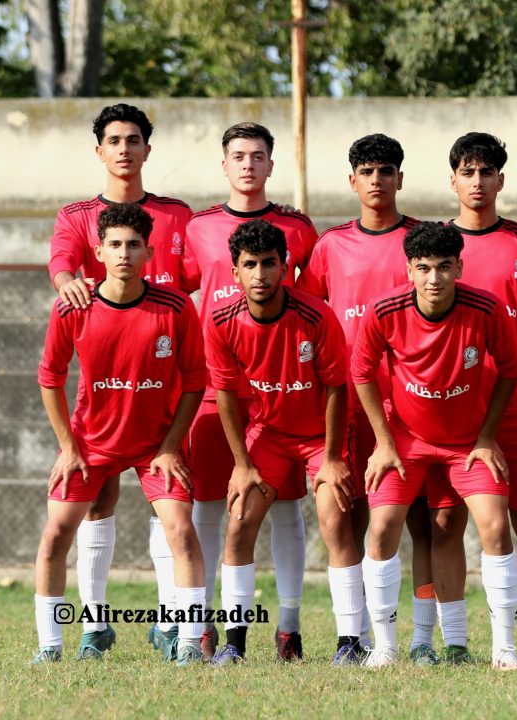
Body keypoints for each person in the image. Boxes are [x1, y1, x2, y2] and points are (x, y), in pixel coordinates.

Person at [48, 103, 193, 661]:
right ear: (100, 150)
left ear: (147, 150)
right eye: (114, 140)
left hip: (167, 373)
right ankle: (94, 625)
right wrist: (68, 284)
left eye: (134, 139)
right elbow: (62, 267)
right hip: (106, 386)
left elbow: (210, 273)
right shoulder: (77, 214)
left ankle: (170, 620)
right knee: (98, 501)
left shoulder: (178, 216)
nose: (124, 149)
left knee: (170, 501)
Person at [352, 222, 517, 669]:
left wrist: (487, 436)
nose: (434, 279)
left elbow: (510, 368)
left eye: (444, 267)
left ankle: (503, 647)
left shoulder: (486, 309)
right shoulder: (384, 310)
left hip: (466, 443)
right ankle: (386, 646)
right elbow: (362, 372)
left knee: (493, 526)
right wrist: (384, 442)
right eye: (424, 268)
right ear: (408, 269)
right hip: (405, 441)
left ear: (459, 268)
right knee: (383, 528)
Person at [297, 133, 436, 665]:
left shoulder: (424, 240)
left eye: (386, 170)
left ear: (400, 178)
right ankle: (351, 637)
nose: (376, 180)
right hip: (348, 405)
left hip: (414, 404)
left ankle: (422, 638)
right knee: (347, 517)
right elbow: (306, 317)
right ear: (351, 180)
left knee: (421, 523)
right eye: (366, 171)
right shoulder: (330, 246)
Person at [182, 122, 318, 660]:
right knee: (211, 506)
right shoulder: (197, 228)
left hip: (282, 392)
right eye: (237, 155)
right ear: (224, 165)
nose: (247, 165)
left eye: (257, 156)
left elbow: (309, 303)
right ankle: (201, 623)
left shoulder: (298, 228)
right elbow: (177, 293)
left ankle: (288, 628)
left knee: (285, 510)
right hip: (219, 391)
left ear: (270, 165)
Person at [203, 219, 351, 665]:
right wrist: (242, 463)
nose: (260, 274)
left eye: (269, 263)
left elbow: (336, 388)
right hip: (268, 434)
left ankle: (350, 642)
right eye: (250, 265)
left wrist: (330, 457)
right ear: (235, 273)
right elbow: (227, 395)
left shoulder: (317, 316)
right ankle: (235, 643)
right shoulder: (222, 321)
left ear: (285, 267)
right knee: (239, 522)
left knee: (335, 521)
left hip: (318, 438)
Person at [444, 132, 517, 668]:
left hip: (513, 405)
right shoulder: (436, 244)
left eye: (486, 172)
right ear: (453, 181)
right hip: (450, 406)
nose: (477, 181)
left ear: (500, 180)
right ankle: (445, 640)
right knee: (444, 523)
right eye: (467, 172)